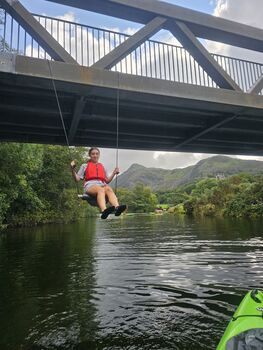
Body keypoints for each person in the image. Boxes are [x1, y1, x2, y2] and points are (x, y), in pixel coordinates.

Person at [71, 147, 126, 219]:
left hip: (102, 184)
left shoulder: (103, 166)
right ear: (90, 155)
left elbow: (107, 181)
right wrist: (72, 170)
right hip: (90, 185)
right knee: (101, 189)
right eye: (93, 154)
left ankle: (117, 208)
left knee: (109, 189)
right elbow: (77, 179)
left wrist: (113, 173)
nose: (95, 155)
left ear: (99, 155)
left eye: (97, 154)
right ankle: (104, 211)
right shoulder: (85, 166)